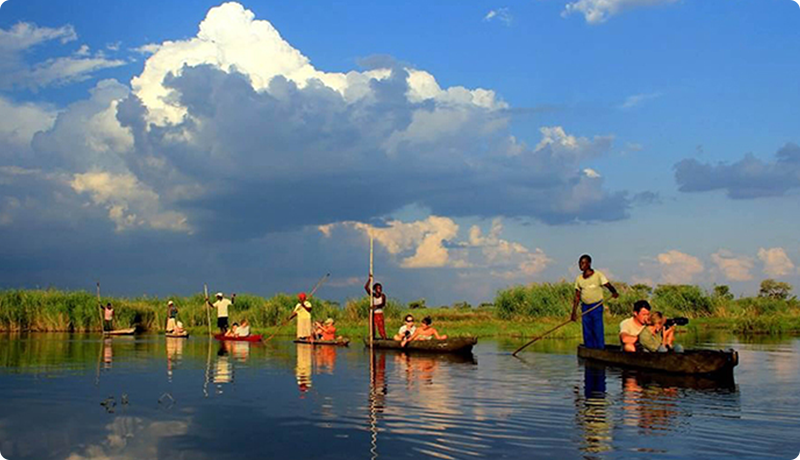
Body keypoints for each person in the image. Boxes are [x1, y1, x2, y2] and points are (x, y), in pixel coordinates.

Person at [571, 254, 619, 350]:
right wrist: (574, 312)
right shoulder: (579, 279)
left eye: (583, 263)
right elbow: (577, 296)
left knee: (597, 328)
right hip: (585, 307)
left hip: (596, 306)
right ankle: (589, 348)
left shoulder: (598, 275)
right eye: (580, 263)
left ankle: (600, 348)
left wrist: (614, 292)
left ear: (589, 264)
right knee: (587, 329)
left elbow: (608, 285)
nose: (581, 265)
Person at [365, 275, 388, 340]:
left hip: (379, 313)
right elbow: (366, 287)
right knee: (372, 327)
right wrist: (369, 280)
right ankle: (373, 338)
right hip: (373, 314)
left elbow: (383, 304)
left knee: (381, 327)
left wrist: (375, 306)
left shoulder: (383, 296)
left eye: (380, 288)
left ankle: (384, 338)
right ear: (375, 289)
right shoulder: (373, 295)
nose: (379, 289)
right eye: (378, 288)